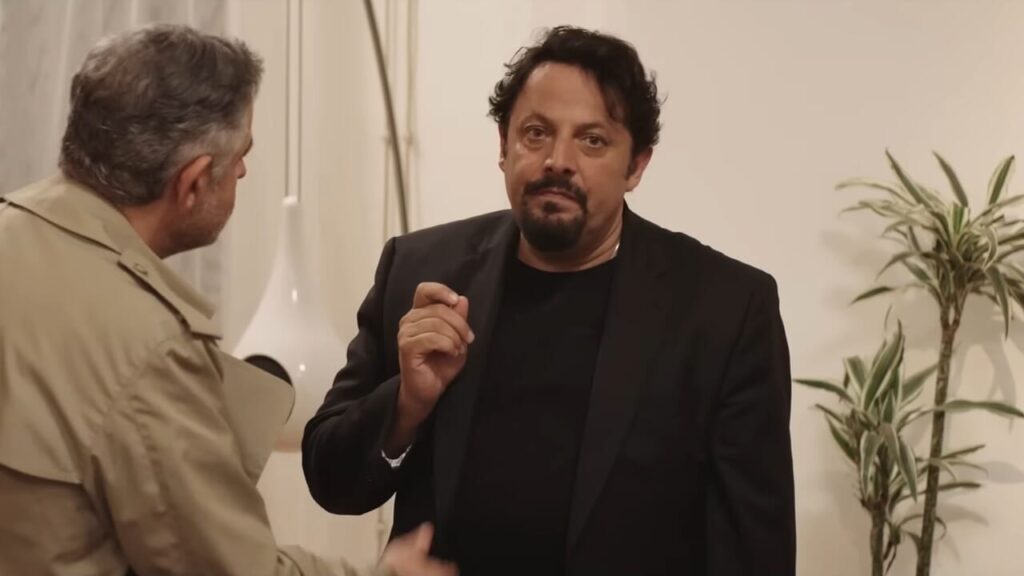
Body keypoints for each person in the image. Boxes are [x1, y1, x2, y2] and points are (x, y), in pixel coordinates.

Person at [303, 25, 795, 576]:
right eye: (536, 133)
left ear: (636, 165)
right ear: (503, 146)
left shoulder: (725, 310)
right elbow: (330, 480)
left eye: (592, 140)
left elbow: (755, 550)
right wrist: (405, 405)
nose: (558, 161)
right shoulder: (421, 271)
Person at [0, 24, 454, 576]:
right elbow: (224, 566)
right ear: (193, 182)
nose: (242, 170)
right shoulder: (149, 348)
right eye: (241, 154)